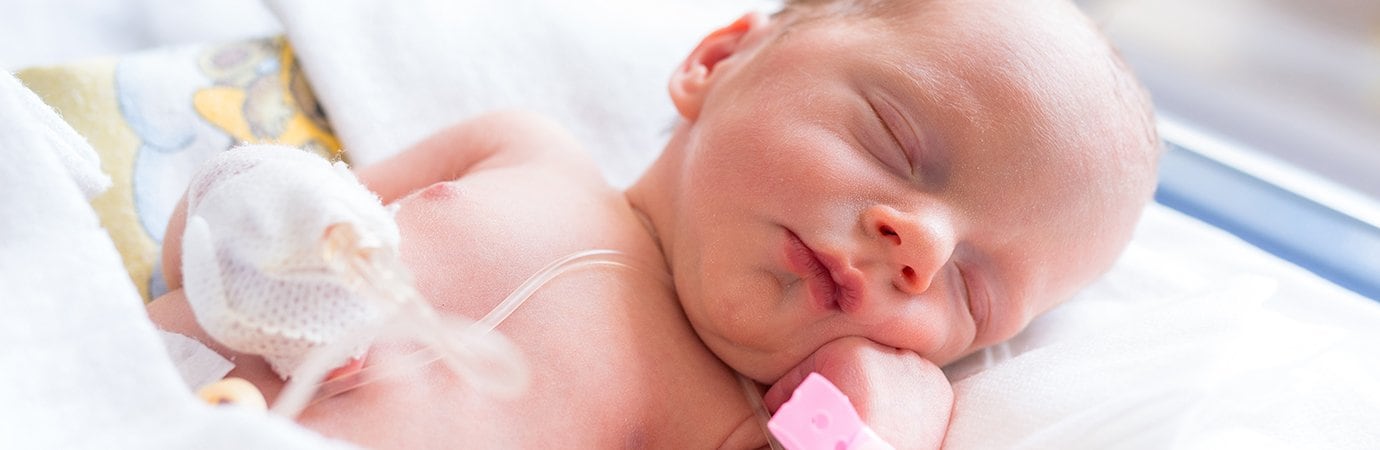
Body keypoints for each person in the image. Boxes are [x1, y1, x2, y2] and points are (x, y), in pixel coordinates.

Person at [147, 0, 1160, 447]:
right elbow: (208, 229)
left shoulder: (717, 423)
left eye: (971, 291)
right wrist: (271, 217)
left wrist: (867, 421)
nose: (921, 248)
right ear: (719, 62)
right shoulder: (519, 148)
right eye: (897, 139)